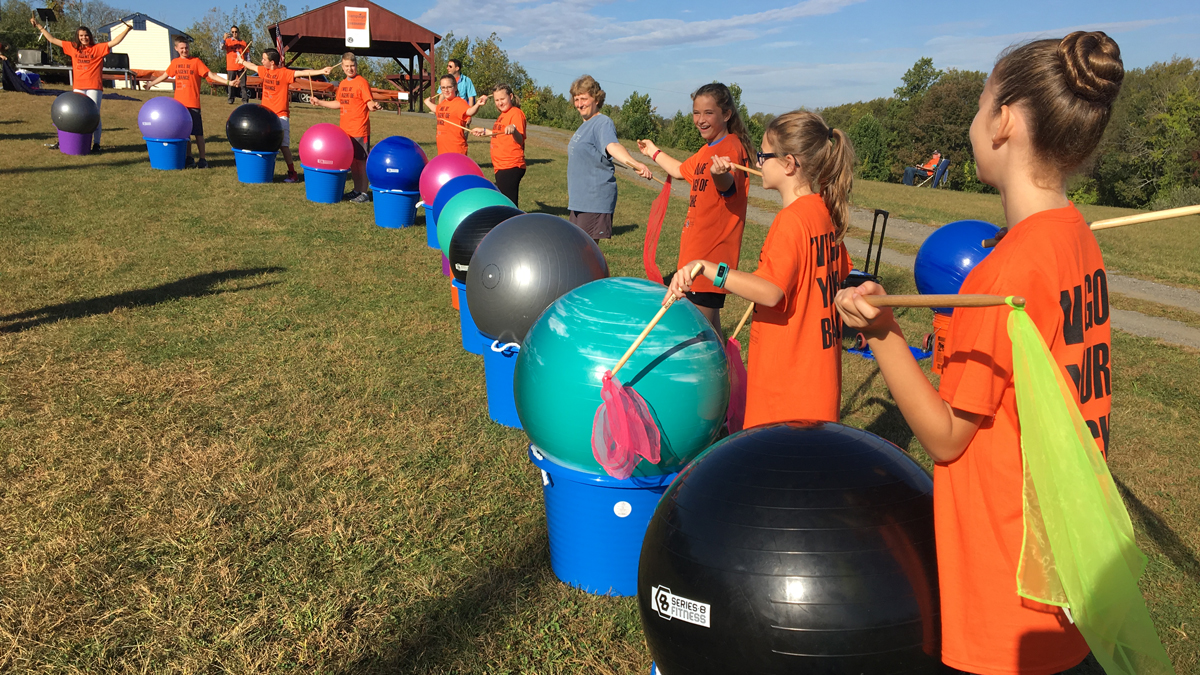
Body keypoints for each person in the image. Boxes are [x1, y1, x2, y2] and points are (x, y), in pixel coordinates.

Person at [834, 32, 1124, 675]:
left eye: (978, 103)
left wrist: (881, 333)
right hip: (1062, 555)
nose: (971, 123)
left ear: (1005, 123)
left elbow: (945, 436)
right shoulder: (1076, 238)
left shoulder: (1002, 276)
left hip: (1007, 578)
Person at [665, 111, 853, 426]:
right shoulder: (823, 212)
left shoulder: (792, 220)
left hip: (788, 385)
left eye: (764, 155)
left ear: (790, 164)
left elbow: (771, 292)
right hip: (818, 380)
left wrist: (708, 268)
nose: (758, 161)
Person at [638, 83, 753, 333]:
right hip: (694, 257)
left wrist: (719, 174)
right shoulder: (706, 151)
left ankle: (723, 372)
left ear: (726, 114)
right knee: (709, 332)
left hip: (710, 261)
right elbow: (680, 171)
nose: (700, 120)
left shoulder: (730, 149)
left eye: (708, 113)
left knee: (698, 336)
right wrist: (653, 152)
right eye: (696, 113)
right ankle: (729, 371)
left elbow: (728, 188)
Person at [566, 75, 651, 241]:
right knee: (576, 249)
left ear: (596, 99)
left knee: (585, 253)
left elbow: (612, 146)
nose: (579, 104)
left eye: (584, 98)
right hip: (580, 200)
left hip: (593, 199)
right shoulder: (586, 124)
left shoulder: (602, 123)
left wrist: (635, 164)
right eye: (576, 99)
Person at [30, 17, 131, 152]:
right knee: (73, 115)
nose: (84, 38)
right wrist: (39, 26)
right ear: (78, 37)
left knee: (94, 115)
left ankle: (96, 144)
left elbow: (115, 41)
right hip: (78, 86)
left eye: (86, 35)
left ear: (90, 36)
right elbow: (53, 40)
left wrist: (127, 29)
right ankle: (66, 141)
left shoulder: (97, 48)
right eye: (81, 36)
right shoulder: (73, 47)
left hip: (94, 87)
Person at [237, 48, 332, 183]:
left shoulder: (284, 73)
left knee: (283, 145)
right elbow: (252, 66)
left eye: (264, 59)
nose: (262, 61)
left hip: (280, 116)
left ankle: (292, 173)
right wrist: (241, 61)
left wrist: (322, 71)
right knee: (262, 142)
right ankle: (262, 170)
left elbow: (303, 72)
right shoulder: (265, 71)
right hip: (265, 116)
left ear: (272, 62)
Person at [144, 37, 230, 169]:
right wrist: (151, 84)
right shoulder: (175, 63)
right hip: (179, 106)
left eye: (187, 48)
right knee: (184, 134)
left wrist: (228, 82)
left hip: (193, 104)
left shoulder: (196, 62)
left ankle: (202, 159)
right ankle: (188, 158)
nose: (185, 50)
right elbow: (165, 75)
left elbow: (211, 75)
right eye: (182, 48)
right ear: (176, 49)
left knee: (198, 134)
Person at [310, 52, 382, 202]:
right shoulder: (342, 84)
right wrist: (319, 102)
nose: (350, 69)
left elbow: (369, 102)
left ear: (356, 65)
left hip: (359, 129)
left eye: (352, 66)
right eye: (347, 66)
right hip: (345, 131)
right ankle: (356, 190)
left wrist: (374, 106)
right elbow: (339, 103)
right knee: (352, 162)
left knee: (360, 162)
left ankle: (364, 193)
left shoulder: (362, 82)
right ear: (342, 67)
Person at [471, 83, 527, 206]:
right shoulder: (503, 115)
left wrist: (514, 130)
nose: (500, 103)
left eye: (502, 99)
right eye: (497, 100)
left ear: (510, 96)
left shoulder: (516, 113)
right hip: (500, 166)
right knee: (505, 202)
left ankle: (513, 224)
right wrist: (485, 131)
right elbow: (500, 133)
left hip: (511, 165)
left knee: (508, 204)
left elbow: (520, 139)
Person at [423, 74, 482, 156]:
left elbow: (470, 111)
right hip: (442, 150)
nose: (446, 90)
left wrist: (477, 105)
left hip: (456, 149)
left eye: (449, 87)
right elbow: (437, 110)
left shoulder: (459, 103)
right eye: (443, 87)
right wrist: (427, 103)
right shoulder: (443, 103)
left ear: (455, 87)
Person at [222, 25, 249, 105]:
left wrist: (248, 64)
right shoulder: (227, 41)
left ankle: (245, 100)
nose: (234, 33)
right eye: (233, 32)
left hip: (241, 66)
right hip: (231, 66)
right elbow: (221, 47)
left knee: (243, 84)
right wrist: (224, 38)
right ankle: (230, 99)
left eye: (236, 32)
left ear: (239, 32)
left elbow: (247, 54)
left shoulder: (243, 43)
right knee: (231, 84)